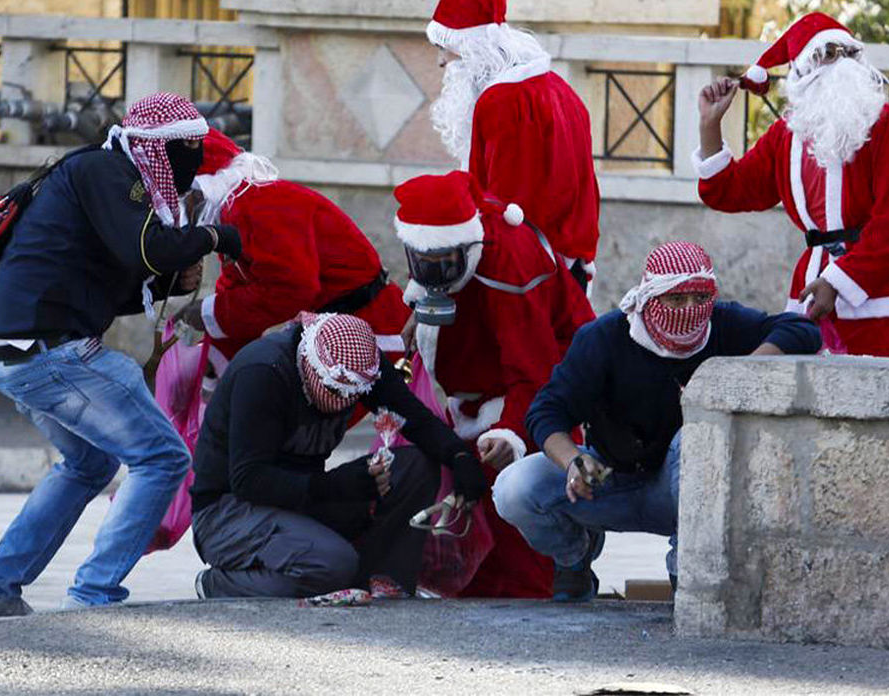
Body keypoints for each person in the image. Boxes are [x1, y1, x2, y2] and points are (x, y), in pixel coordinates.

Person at [0, 93, 241, 618]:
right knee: (163, 457)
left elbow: (103, 283)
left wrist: (172, 279)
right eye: (188, 150)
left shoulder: (99, 177)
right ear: (157, 148)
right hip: (49, 351)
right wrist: (216, 235)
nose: (194, 161)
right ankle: (94, 593)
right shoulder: (113, 174)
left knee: (89, 462)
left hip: (12, 349)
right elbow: (151, 249)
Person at [493, 242, 821, 601]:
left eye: (699, 298)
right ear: (649, 298)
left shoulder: (725, 324)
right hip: (608, 478)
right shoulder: (605, 338)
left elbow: (800, 330)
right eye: (676, 300)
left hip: (686, 490)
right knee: (515, 488)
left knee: (693, 437)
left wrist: (742, 371)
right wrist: (573, 461)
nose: (690, 310)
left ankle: (687, 574)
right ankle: (575, 557)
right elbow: (547, 410)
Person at [393, 170, 596, 598]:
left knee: (515, 501)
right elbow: (434, 273)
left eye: (442, 264)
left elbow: (536, 372)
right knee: (468, 498)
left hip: (538, 382)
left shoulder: (511, 269)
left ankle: (561, 570)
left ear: (471, 246)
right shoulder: (450, 238)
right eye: (422, 264)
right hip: (482, 387)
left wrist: (511, 433)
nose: (433, 275)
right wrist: (418, 307)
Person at [189, 312, 487, 599]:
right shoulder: (264, 373)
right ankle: (222, 584)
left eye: (354, 393)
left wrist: (459, 456)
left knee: (417, 466)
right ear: (310, 366)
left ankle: (381, 579)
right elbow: (248, 480)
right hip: (227, 511)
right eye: (336, 390)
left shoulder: (359, 363)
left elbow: (413, 418)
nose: (345, 400)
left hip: (301, 499)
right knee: (334, 564)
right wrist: (336, 486)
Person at [694, 12, 889, 358]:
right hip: (810, 293)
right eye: (826, 54)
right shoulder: (786, 137)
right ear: (800, 73)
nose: (840, 63)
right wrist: (710, 127)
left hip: (882, 298)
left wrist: (837, 280)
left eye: (846, 52)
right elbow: (730, 191)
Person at [177, 130, 410, 371]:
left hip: (366, 330)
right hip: (334, 330)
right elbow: (240, 284)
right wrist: (214, 347)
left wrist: (211, 312)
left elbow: (291, 289)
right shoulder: (234, 211)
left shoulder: (253, 209)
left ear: (200, 189)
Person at [427, 0, 600, 288]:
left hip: (533, 275)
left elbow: (508, 205)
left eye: (445, 47)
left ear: (471, 49)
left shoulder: (503, 102)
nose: (441, 61)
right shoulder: (554, 84)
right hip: (567, 261)